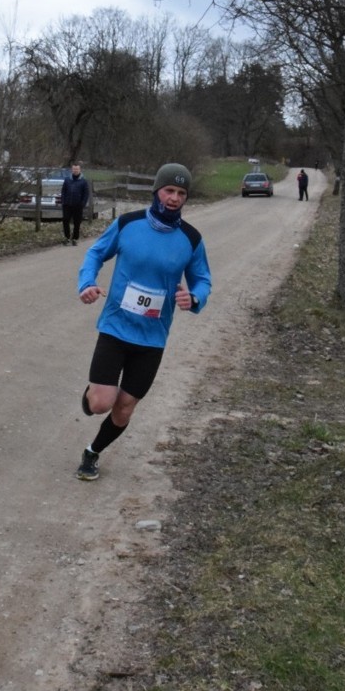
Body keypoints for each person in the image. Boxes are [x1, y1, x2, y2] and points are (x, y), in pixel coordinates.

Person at [74, 162, 212, 481]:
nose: (174, 198)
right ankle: (93, 394)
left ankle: (92, 452)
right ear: (156, 191)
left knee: (124, 408)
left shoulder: (191, 239)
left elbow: (203, 279)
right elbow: (94, 254)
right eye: (169, 190)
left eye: (181, 193)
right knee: (101, 403)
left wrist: (193, 298)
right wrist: (87, 283)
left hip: (152, 339)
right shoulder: (128, 224)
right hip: (115, 328)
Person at [60, 163, 90, 245]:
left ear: (80, 170)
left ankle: (75, 238)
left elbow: (86, 194)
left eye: (77, 169)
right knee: (65, 220)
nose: (75, 170)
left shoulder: (83, 181)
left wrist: (82, 204)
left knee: (77, 222)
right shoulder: (67, 180)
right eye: (74, 169)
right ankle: (67, 237)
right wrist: (63, 201)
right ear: (72, 170)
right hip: (67, 204)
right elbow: (63, 191)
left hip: (78, 205)